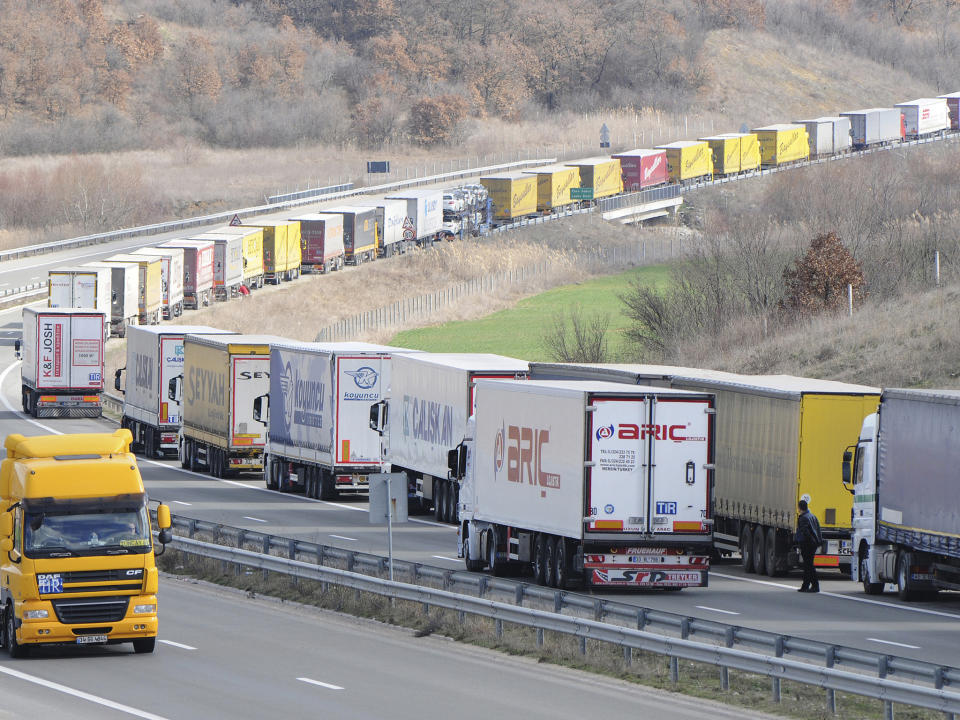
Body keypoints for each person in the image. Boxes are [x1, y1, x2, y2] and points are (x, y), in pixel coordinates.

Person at [795, 498, 822, 593]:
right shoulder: (812, 516)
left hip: (807, 544)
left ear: (799, 508)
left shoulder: (803, 518)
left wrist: (806, 541)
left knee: (809, 565)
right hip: (813, 544)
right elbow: (818, 529)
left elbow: (805, 531)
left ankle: (815, 585)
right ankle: (805, 585)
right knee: (808, 565)